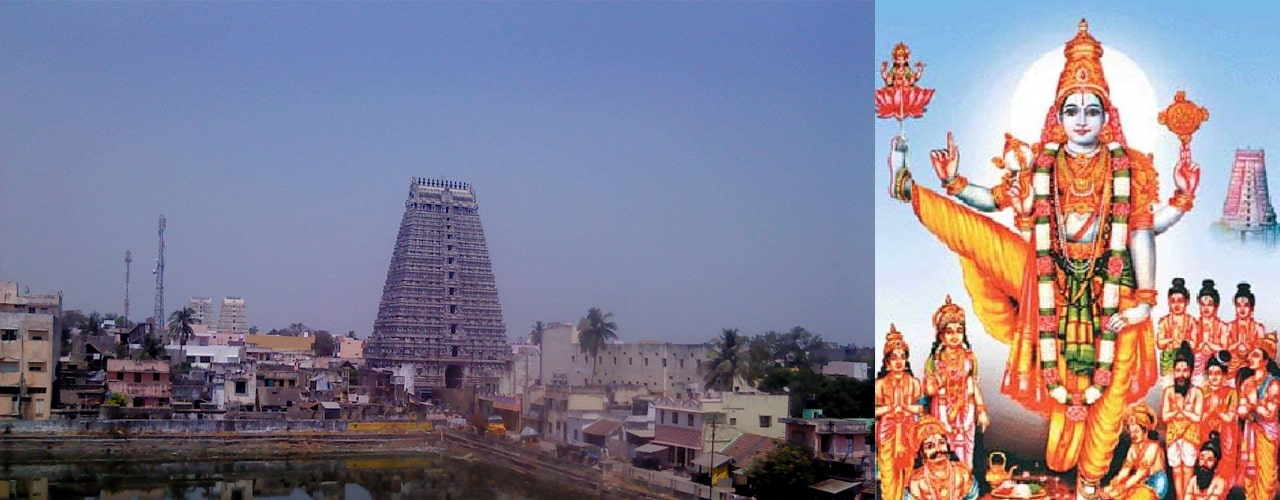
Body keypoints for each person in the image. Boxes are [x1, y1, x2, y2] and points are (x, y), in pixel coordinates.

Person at [884, 19, 1201, 495]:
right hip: (1043, 278)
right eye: (1070, 109)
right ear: (1057, 113)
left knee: (1110, 387)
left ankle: (1090, 483)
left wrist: (1148, 293)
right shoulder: (1041, 164)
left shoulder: (1128, 168)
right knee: (978, 237)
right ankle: (908, 189)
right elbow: (995, 200)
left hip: (1112, 296)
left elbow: (1142, 229)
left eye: (1091, 110)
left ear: (1107, 115)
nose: (1081, 119)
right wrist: (955, 183)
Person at [922, 295, 990, 469]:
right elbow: (929, 390)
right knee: (945, 446)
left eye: (959, 331)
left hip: (967, 408)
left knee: (967, 449)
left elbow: (973, 385)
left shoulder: (969, 358)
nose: (954, 336)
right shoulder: (934, 360)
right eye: (949, 331)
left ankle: (965, 484)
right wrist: (940, 382)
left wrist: (981, 410)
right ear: (941, 335)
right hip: (943, 409)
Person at [877, 324, 923, 500]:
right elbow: (876, 411)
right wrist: (890, 409)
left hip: (907, 431)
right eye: (894, 357)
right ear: (887, 362)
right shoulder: (880, 384)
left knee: (906, 474)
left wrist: (904, 407)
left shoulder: (913, 383)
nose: (898, 361)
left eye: (902, 357)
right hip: (887, 432)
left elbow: (920, 408)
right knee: (888, 477)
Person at [1235, 335, 1279, 500]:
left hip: (1267, 435)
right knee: (1249, 477)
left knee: (1266, 477)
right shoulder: (1247, 382)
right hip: (1250, 432)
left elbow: (1269, 414)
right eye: (1250, 354)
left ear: (1265, 361)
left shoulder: (1274, 384)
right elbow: (1240, 410)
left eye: (1255, 355)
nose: (1250, 358)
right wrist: (1251, 407)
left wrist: (1252, 405)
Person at [1099, 403, 1167, 500]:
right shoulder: (1133, 448)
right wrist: (1116, 481)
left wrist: (1123, 488)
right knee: (1110, 490)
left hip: (1155, 484)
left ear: (1145, 431)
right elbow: (1126, 469)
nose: (1133, 435)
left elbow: (1141, 473)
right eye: (1131, 432)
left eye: (1136, 431)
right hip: (1138, 481)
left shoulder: (1153, 448)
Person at [1162, 341, 1204, 499]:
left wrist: (1179, 411)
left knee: (1188, 468)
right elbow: (1165, 417)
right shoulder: (1169, 391)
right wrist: (1184, 412)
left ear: (1191, 372)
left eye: (1185, 370)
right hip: (1173, 435)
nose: (1181, 374)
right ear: (1174, 371)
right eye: (1178, 370)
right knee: (1176, 469)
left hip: (1190, 435)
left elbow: (1197, 417)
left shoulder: (1197, 392)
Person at [905, 416, 979, 500]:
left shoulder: (962, 473)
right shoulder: (916, 482)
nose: (938, 449)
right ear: (921, 453)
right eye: (930, 446)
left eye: (941, 443)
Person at [1198, 351, 1239, 488]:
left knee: (1224, 470)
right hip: (1205, 433)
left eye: (1217, 373)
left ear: (1224, 375)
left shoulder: (1231, 392)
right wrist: (1210, 411)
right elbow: (1199, 418)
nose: (1213, 377)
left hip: (1226, 435)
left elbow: (1230, 417)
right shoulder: (1202, 392)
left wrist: (1217, 411)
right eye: (1210, 373)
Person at [1157, 278, 1200, 385]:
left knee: (1187, 390)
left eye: (1180, 301)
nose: (1176, 305)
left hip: (1187, 358)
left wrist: (1180, 342)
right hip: (1168, 359)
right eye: (1173, 301)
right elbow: (1159, 343)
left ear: (1187, 302)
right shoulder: (1164, 321)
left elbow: (1194, 344)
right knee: (1169, 388)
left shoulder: (1192, 321)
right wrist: (1174, 339)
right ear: (1168, 302)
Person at [1196, 280, 1231, 379]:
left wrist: (1208, 344)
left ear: (1216, 305)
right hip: (1196, 370)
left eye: (1209, 304)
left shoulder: (1223, 327)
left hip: (1216, 370)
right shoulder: (1194, 325)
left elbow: (1224, 349)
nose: (1205, 308)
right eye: (1203, 304)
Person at [1227, 283, 1265, 371]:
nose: (1242, 309)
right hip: (1231, 369)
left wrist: (1248, 347)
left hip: (1251, 369)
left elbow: (1260, 354)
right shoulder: (1229, 327)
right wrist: (1237, 344)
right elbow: (1225, 349)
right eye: (1238, 305)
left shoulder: (1258, 328)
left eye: (1246, 305)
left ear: (1252, 308)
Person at [1185, 431, 1228, 500]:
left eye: (1209, 460)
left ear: (1215, 463)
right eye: (1202, 458)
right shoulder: (1193, 481)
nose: (1204, 463)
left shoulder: (1219, 482)